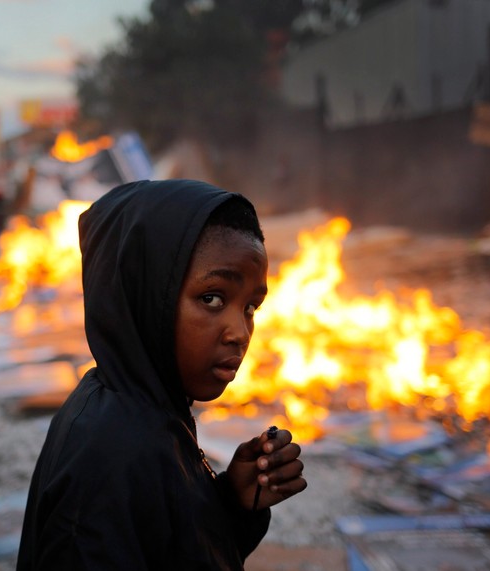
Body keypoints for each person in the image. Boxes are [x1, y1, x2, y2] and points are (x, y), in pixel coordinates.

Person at [17, 179, 307, 570]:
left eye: (250, 308)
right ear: (146, 293)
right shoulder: (110, 457)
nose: (240, 332)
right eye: (212, 298)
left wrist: (231, 504)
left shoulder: (146, 410)